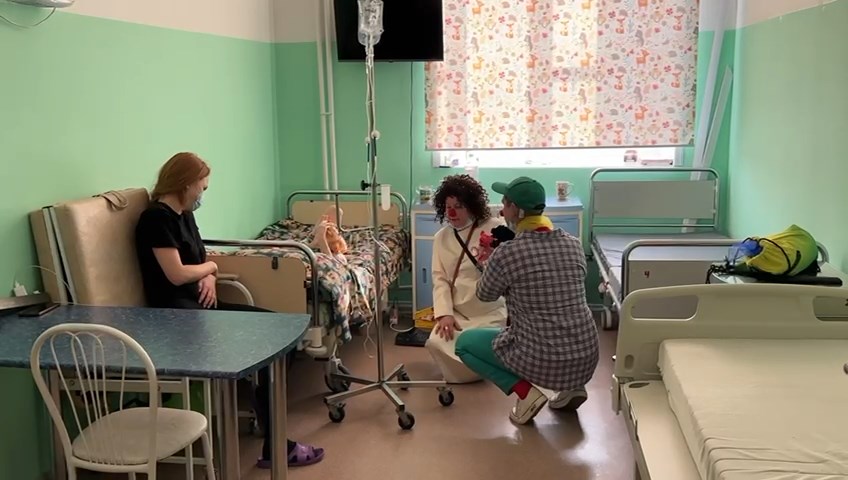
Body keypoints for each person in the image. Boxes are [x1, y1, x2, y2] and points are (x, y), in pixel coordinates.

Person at [134, 152, 325, 469]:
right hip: (176, 316)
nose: (202, 194)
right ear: (185, 184)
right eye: (203, 187)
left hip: (201, 306)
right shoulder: (156, 219)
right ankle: (276, 444)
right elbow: (177, 274)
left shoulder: (183, 215)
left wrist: (210, 276)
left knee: (280, 334)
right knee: (269, 344)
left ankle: (270, 428)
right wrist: (210, 269)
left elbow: (201, 259)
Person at [455, 176, 600, 425]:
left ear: (516, 210)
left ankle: (526, 394)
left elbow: (485, 294)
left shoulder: (507, 253)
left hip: (543, 358)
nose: (502, 210)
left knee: (465, 344)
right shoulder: (573, 244)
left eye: (505, 203)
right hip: (586, 356)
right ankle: (572, 388)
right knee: (559, 321)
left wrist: (489, 262)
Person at [426, 174, 508, 383]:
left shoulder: (494, 227)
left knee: (478, 346)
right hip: (459, 314)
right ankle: (477, 369)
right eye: (448, 207)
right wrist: (444, 314)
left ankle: (479, 366)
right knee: (436, 343)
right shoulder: (441, 238)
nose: (452, 213)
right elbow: (440, 279)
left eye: (459, 206)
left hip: (488, 312)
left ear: (471, 206)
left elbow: (509, 271)